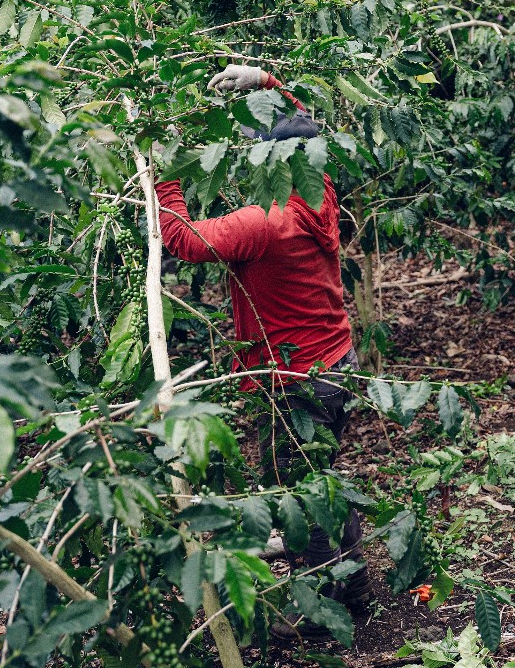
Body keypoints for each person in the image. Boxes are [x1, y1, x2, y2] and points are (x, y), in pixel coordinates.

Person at [154, 63, 368, 630]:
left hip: (299, 377)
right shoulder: (316, 192)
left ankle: (332, 607)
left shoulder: (264, 223)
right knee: (318, 477)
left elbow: (180, 238)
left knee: (304, 493)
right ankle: (350, 583)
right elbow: (306, 126)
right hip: (336, 360)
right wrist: (267, 83)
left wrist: (163, 172)